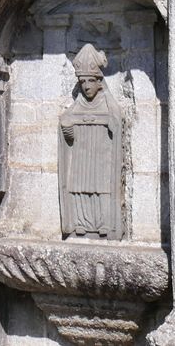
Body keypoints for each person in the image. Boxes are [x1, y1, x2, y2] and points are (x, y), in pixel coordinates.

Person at [58, 44, 125, 240]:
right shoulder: (78, 103)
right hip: (81, 152)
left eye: (90, 81)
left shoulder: (107, 102)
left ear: (99, 82)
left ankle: (104, 223)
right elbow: (66, 126)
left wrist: (109, 122)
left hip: (101, 152)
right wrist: (67, 126)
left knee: (101, 186)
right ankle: (81, 222)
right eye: (83, 81)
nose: (87, 86)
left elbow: (116, 122)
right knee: (78, 185)